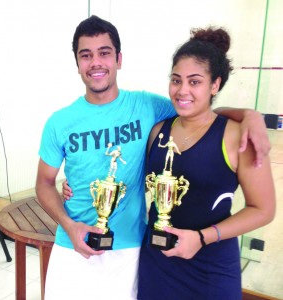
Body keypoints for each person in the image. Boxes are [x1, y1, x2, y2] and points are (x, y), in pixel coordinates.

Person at [36, 15, 270, 300]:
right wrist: (69, 223)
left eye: (104, 53)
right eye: (86, 55)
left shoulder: (148, 107)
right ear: (77, 63)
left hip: (133, 249)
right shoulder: (60, 123)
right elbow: (43, 183)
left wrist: (249, 115)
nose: (96, 62)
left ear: (119, 59)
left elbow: (200, 113)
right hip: (78, 245)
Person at [137, 27, 276, 300]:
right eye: (176, 80)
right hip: (157, 263)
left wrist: (202, 238)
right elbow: (136, 184)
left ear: (215, 85)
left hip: (210, 267)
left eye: (195, 81)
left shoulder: (237, 136)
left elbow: (264, 209)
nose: (182, 90)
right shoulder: (158, 132)